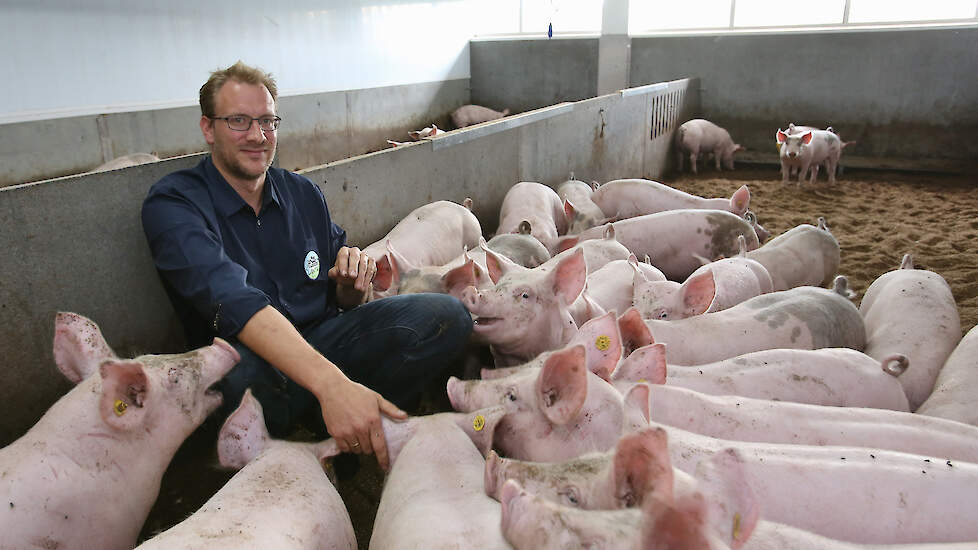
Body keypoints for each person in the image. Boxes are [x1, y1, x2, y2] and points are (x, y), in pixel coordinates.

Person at [141, 61, 472, 471]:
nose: (258, 136)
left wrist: (353, 286)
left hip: (323, 341)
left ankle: (339, 427)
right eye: (239, 121)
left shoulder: (302, 193)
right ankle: (334, 420)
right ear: (208, 129)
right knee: (233, 386)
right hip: (249, 364)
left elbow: (346, 296)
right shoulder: (175, 204)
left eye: (267, 121)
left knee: (449, 315)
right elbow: (233, 300)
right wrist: (332, 384)